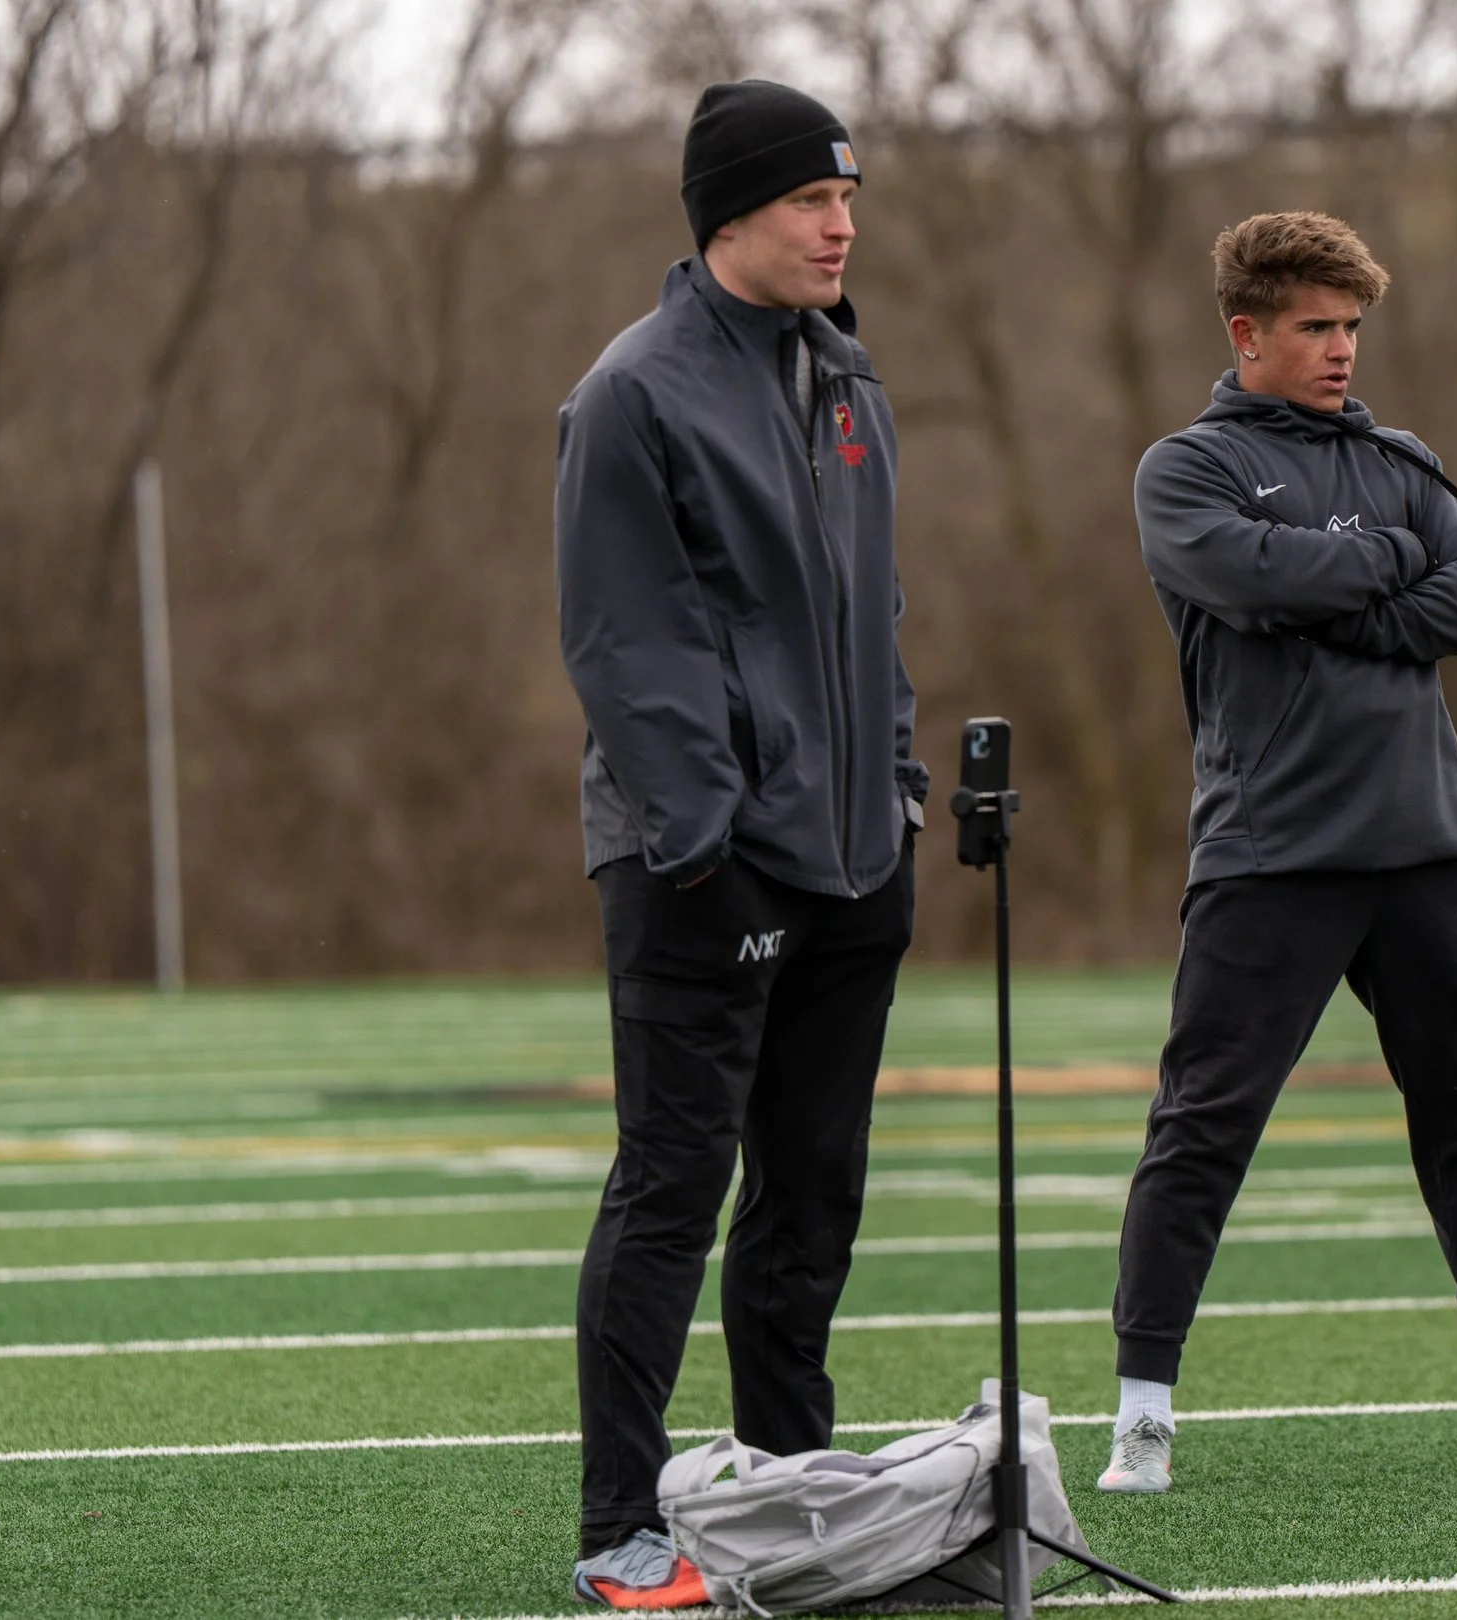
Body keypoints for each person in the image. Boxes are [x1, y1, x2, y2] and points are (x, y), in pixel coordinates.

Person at [1099, 211, 1457, 1495]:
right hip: (1271, 852)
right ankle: (1141, 1419)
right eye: (1314, 327)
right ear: (1247, 333)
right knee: (1201, 1131)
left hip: (1425, 851)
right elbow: (1250, 579)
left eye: (1350, 327)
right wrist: (1389, 572)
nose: (1341, 350)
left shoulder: (1401, 458)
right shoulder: (1185, 469)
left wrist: (1334, 586)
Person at [552, 80, 925, 1609]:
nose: (841, 227)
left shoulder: (847, 379)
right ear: (728, 219)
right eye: (809, 201)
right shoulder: (632, 393)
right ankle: (619, 1528)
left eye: (848, 199)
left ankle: (788, 1490)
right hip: (701, 867)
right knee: (673, 1187)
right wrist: (706, 841)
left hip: (856, 860)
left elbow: (871, 616)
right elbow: (624, 641)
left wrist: (897, 789)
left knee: (813, 1196)